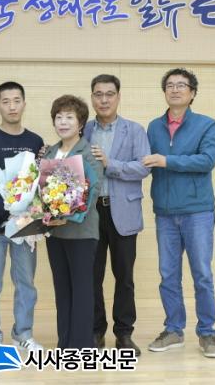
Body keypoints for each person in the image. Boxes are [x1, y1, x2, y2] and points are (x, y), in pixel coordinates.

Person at [142, 68, 215, 359]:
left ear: (192, 93)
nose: (175, 89)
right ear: (164, 91)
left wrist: (167, 161)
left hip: (197, 211)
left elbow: (207, 160)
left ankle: (207, 332)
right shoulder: (153, 127)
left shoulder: (207, 124)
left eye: (181, 85)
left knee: (202, 274)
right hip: (164, 212)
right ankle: (174, 329)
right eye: (170, 85)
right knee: (168, 275)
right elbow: (144, 162)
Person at [83, 74, 150, 356]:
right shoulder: (84, 129)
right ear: (92, 98)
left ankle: (124, 333)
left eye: (109, 94)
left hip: (123, 210)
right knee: (92, 276)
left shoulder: (134, 130)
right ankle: (96, 330)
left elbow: (144, 167)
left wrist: (111, 164)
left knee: (124, 276)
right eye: (98, 94)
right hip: (90, 213)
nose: (104, 100)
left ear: (118, 97)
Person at [0, 81, 44, 352]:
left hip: (27, 224)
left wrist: (26, 214)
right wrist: (8, 212)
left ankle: (23, 334)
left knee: (26, 281)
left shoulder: (35, 141)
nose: (12, 106)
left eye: (16, 100)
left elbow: (39, 183)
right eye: (6, 101)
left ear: (24, 104)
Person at [42, 95, 103, 349]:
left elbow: (93, 190)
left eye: (69, 117)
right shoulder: (49, 152)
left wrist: (67, 216)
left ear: (80, 124)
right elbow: (42, 190)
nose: (63, 122)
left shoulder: (90, 153)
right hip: (54, 234)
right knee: (62, 289)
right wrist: (43, 214)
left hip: (81, 232)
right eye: (59, 117)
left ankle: (80, 345)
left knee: (82, 290)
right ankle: (64, 342)